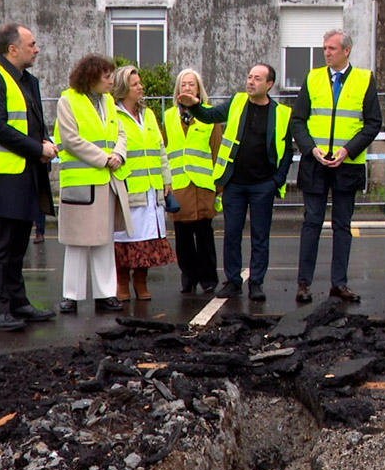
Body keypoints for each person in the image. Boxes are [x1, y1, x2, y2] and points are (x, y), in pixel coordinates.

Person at [177, 64, 293, 301]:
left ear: (269, 85)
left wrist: (277, 181)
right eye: (249, 76)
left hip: (263, 185)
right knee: (231, 234)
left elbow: (288, 151)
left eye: (257, 79)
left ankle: (257, 283)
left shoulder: (281, 113)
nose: (250, 82)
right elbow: (210, 116)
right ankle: (233, 281)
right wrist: (194, 104)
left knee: (260, 236)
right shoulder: (237, 102)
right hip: (235, 184)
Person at [0, 23, 57, 332]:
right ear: (13, 49)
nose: (36, 49)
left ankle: (17, 302)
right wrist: (38, 149)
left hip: (25, 174)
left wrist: (45, 145)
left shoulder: (27, 81)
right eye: (32, 44)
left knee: (18, 244)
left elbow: (33, 121)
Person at [291, 28, 383, 304]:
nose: (327, 53)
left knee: (343, 225)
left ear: (346, 50)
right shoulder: (313, 77)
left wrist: (347, 150)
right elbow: (297, 120)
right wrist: (311, 149)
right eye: (325, 48)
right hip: (316, 162)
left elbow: (373, 123)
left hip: (348, 164)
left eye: (332, 48)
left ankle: (339, 284)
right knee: (312, 223)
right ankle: (303, 283)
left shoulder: (364, 79)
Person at [53, 54, 134, 314]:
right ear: (92, 77)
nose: (112, 81)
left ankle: (105, 294)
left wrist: (119, 155)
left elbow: (121, 133)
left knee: (103, 240)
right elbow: (70, 139)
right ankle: (71, 296)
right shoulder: (68, 101)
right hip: (81, 183)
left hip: (105, 181)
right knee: (77, 242)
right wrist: (104, 159)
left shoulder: (109, 102)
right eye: (107, 76)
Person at [111, 65, 176, 301]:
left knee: (148, 238)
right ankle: (121, 283)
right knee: (125, 238)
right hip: (128, 187)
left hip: (152, 187)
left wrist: (166, 180)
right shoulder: (113, 115)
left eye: (140, 83)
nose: (141, 87)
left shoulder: (148, 114)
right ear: (123, 88)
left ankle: (140, 282)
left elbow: (160, 150)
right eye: (135, 84)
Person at [163, 69, 222, 295]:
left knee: (204, 234)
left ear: (199, 89)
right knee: (183, 235)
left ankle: (208, 278)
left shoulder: (209, 114)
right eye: (183, 84)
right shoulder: (169, 116)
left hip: (203, 183)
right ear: (178, 89)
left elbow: (217, 149)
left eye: (192, 84)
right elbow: (164, 149)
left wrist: (220, 186)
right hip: (179, 184)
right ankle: (188, 277)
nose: (187, 88)